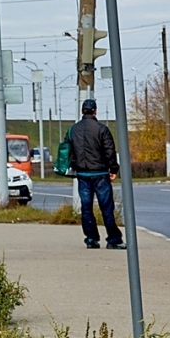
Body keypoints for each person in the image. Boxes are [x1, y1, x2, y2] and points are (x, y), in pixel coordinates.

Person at [68, 98, 125, 249]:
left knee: (86, 207)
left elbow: (69, 150)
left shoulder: (73, 130)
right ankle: (113, 240)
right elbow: (110, 152)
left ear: (82, 111)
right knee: (106, 207)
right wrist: (113, 169)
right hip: (100, 174)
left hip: (82, 175)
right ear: (95, 111)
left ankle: (91, 239)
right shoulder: (102, 129)